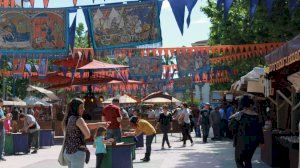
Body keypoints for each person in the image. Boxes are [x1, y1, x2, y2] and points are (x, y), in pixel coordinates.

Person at [63, 98, 109, 168]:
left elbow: (84, 126)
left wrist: (100, 124)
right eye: (81, 107)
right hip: (77, 152)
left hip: (68, 152)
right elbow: (87, 135)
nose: (84, 109)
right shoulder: (79, 119)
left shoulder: (70, 118)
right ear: (75, 108)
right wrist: (77, 138)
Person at [229, 95, 264, 168]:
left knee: (239, 160)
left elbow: (232, 127)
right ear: (250, 104)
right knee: (248, 160)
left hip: (241, 141)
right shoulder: (256, 116)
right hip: (253, 143)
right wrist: (261, 142)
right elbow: (260, 130)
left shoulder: (239, 115)